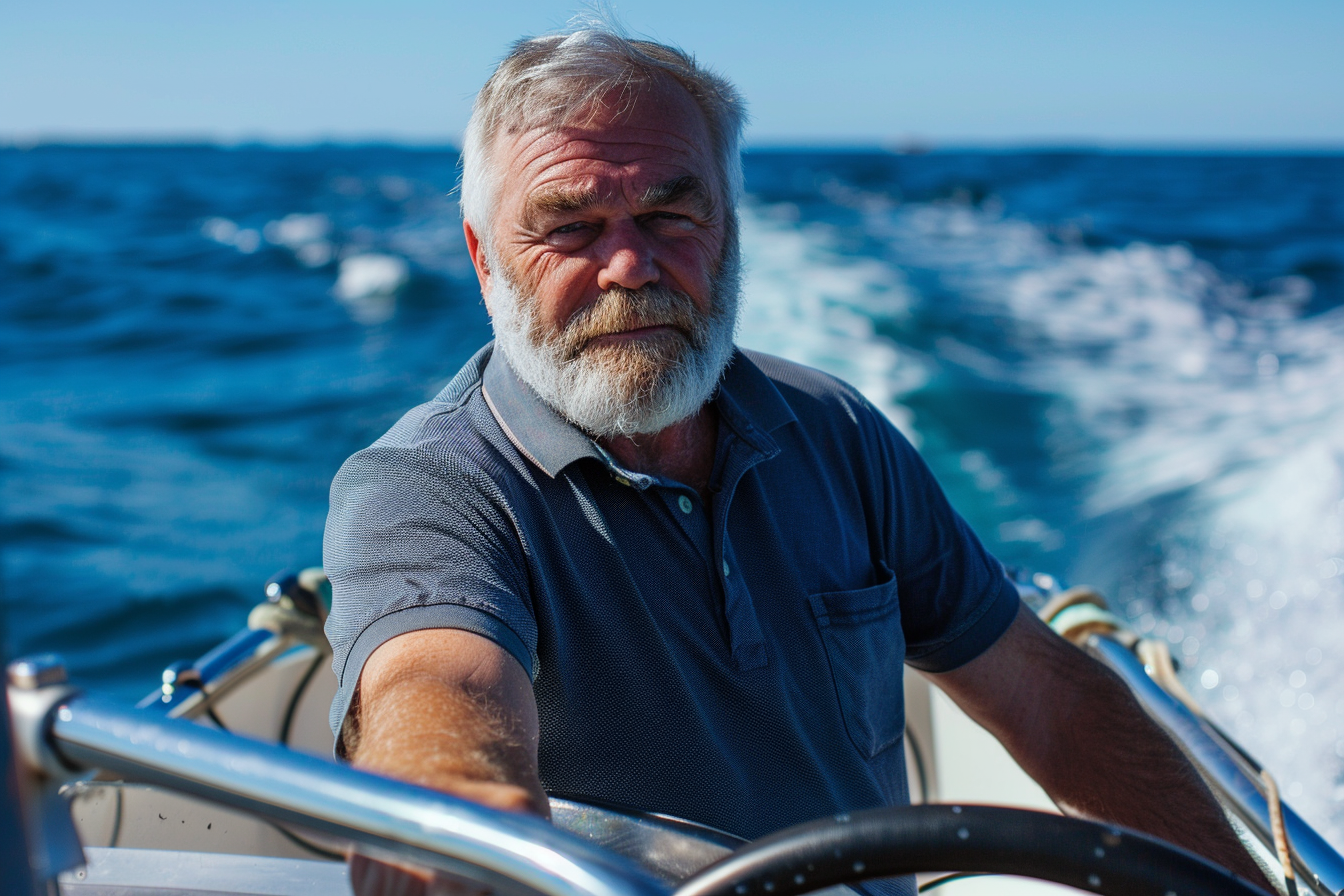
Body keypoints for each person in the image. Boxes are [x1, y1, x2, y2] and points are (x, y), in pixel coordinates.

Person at [323, 24, 1273, 896]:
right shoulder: (429, 487)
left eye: (670, 217)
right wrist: (447, 823)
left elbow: (1049, 700)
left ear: (729, 231)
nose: (629, 266)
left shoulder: (835, 430)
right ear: (484, 258)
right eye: (569, 227)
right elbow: (435, 706)